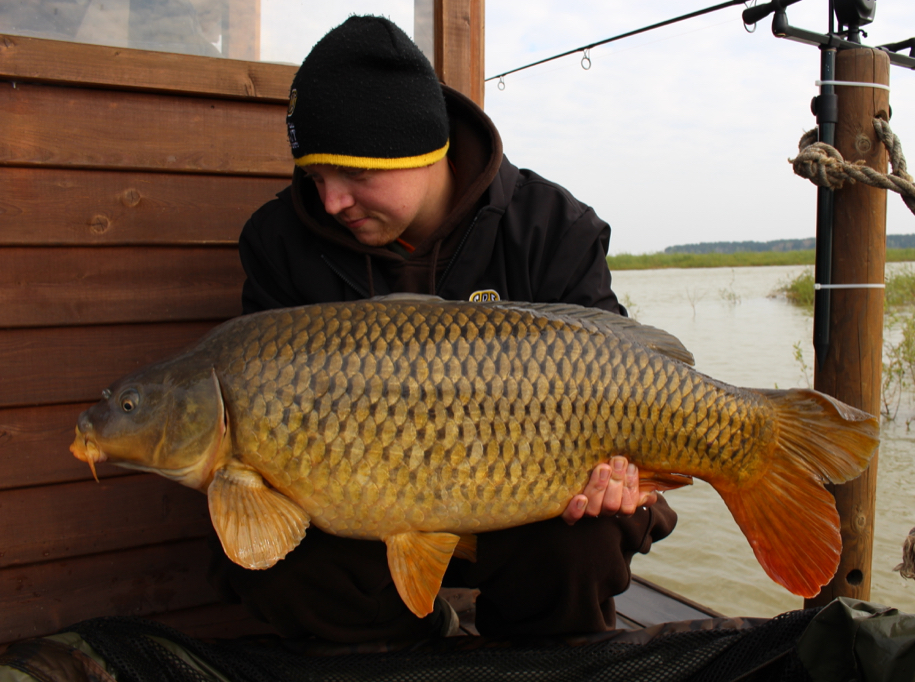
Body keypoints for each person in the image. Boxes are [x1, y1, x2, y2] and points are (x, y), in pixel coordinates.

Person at [210, 15, 677, 643]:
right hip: (357, 515)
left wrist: (623, 481)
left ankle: (539, 658)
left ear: (423, 151)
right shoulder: (279, 243)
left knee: (589, 538)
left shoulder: (550, 225)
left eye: (355, 174)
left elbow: (621, 369)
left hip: (532, 501)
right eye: (317, 178)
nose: (331, 203)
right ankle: (411, 650)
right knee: (269, 565)